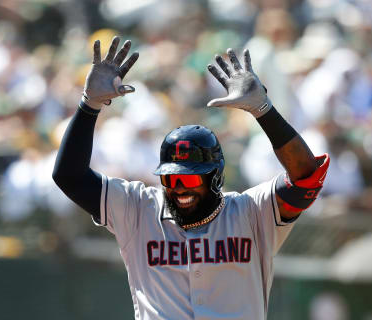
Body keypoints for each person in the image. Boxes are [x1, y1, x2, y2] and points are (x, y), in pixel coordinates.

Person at [52, 36, 330, 320]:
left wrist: (264, 111)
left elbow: (307, 176)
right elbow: (69, 177)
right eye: (171, 179)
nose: (179, 187)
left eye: (190, 178)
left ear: (215, 176)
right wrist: (89, 106)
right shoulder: (139, 209)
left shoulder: (252, 212)